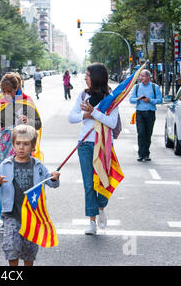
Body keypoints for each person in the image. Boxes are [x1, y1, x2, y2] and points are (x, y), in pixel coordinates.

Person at [0, 73, 42, 230]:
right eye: (3, 90)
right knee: (4, 182)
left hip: (22, 148)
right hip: (3, 150)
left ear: (16, 88)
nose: (5, 94)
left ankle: (22, 217)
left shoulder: (26, 102)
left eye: (8, 91)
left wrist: (29, 121)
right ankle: (5, 219)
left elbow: (37, 124)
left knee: (22, 183)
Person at [0, 124, 60, 266]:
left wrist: (54, 178)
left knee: (29, 249)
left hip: (32, 215)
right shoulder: (6, 164)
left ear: (33, 146)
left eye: (26, 144)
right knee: (11, 246)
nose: (21, 147)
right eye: (18, 144)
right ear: (13, 145)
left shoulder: (38, 165)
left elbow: (52, 183)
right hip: (11, 214)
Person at [68, 63, 119, 235]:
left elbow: (111, 123)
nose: (85, 78)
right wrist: (85, 115)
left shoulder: (111, 99)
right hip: (85, 144)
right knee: (89, 184)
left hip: (104, 145)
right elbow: (71, 117)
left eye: (88, 75)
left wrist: (93, 113)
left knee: (104, 181)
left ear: (96, 77)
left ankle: (101, 206)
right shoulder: (83, 95)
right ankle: (91, 221)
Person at [129, 69, 162, 162]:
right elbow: (131, 100)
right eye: (140, 76)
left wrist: (150, 100)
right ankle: (141, 154)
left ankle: (146, 154)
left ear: (148, 77)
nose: (141, 78)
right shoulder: (136, 87)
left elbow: (160, 100)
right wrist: (138, 99)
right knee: (141, 133)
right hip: (140, 113)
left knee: (148, 134)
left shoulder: (155, 87)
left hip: (150, 113)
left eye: (143, 76)